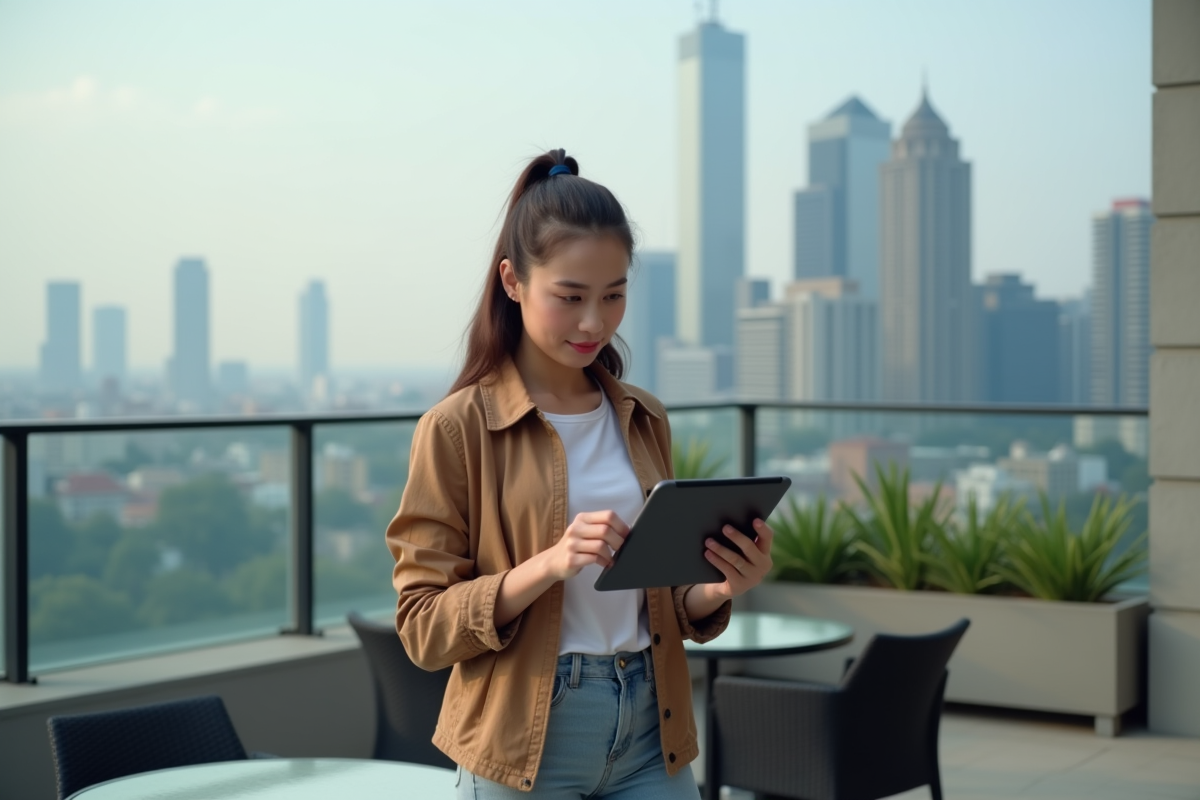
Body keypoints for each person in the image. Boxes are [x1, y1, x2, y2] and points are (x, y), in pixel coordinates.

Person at [386, 148, 775, 799]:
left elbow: (664, 599)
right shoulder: (457, 429)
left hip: (654, 727)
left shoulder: (644, 417)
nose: (595, 322)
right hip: (525, 741)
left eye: (614, 295)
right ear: (513, 281)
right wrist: (548, 565)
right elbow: (422, 626)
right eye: (569, 297)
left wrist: (720, 588)